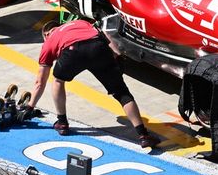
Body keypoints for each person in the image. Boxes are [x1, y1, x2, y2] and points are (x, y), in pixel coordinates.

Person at [29, 19, 161, 148]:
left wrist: (30, 107)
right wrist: (117, 57)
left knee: (58, 80)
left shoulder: (49, 41)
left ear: (46, 35)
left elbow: (40, 82)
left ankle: (62, 123)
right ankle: (143, 135)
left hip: (71, 51)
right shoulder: (79, 23)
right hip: (97, 47)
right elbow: (107, 37)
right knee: (121, 92)